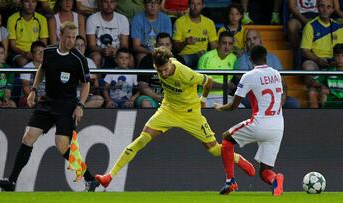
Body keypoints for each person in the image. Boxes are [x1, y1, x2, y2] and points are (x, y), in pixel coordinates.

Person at [95, 46, 255, 188]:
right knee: (142, 139)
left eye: (165, 69)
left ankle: (238, 158)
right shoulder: (158, 64)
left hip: (190, 113)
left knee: (214, 150)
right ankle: (109, 177)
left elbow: (209, 81)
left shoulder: (185, 73)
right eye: (160, 70)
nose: (163, 73)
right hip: (168, 109)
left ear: (171, 63)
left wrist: (203, 100)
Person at [0, 22, 99, 192]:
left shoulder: (79, 59)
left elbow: (86, 85)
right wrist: (33, 90)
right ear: (60, 36)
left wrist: (80, 105)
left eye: (74, 37)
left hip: (67, 106)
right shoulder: (48, 52)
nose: (71, 40)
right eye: (68, 37)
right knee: (28, 137)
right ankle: (11, 182)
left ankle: (90, 179)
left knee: (62, 146)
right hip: (47, 103)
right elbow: (41, 69)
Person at [214, 45, 285, 196]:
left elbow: (234, 106)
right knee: (265, 171)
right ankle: (276, 180)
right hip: (278, 126)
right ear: (266, 57)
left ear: (250, 59)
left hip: (260, 123)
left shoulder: (250, 76)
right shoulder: (276, 74)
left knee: (226, 138)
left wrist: (221, 107)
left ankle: (230, 181)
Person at [235, 29, 300, 108]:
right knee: (244, 100)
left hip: (273, 96)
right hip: (253, 97)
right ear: (246, 44)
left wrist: (283, 95)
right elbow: (247, 85)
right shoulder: (242, 59)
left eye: (255, 38)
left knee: (293, 103)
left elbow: (282, 81)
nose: (252, 42)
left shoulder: (273, 57)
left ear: (261, 40)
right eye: (249, 40)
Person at [301, 0, 343, 108]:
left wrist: (335, 60)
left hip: (334, 61)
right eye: (322, 6)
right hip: (316, 60)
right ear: (317, 7)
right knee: (308, 66)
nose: (325, 9)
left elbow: (340, 50)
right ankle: (314, 87)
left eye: (329, 7)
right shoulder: (310, 26)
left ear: (333, 9)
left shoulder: (338, 27)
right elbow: (305, 50)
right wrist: (318, 59)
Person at [137, 32, 184, 108]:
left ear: (172, 46)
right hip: (151, 97)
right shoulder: (147, 60)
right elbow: (143, 86)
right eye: (161, 45)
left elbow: (184, 84)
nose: (164, 47)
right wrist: (158, 98)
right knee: (145, 103)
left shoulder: (179, 60)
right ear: (156, 46)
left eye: (167, 44)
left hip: (173, 97)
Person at [173, 0, 218, 68]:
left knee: (205, 58)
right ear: (188, 5)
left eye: (198, 4)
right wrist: (185, 42)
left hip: (203, 56)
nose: (195, 7)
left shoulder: (209, 23)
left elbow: (214, 46)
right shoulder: (179, 22)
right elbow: (176, 48)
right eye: (193, 4)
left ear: (203, 6)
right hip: (185, 56)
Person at [197, 31, 237, 107]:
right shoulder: (206, 58)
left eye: (230, 44)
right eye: (224, 43)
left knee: (240, 110)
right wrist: (225, 86)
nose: (227, 47)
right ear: (218, 44)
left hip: (226, 97)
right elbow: (204, 83)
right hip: (206, 96)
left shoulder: (233, 58)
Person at [86, 0, 129, 68]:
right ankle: (97, 79)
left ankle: (131, 79)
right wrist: (102, 50)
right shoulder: (92, 19)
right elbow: (91, 46)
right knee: (96, 57)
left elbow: (125, 45)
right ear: (100, 3)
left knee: (130, 58)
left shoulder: (123, 19)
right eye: (105, 2)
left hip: (117, 51)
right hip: (99, 51)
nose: (109, 5)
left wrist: (117, 51)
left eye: (112, 2)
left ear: (116, 3)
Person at [7, 0, 49, 68]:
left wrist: (35, 53)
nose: (30, 5)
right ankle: (24, 79)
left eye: (33, 2)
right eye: (26, 1)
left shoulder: (42, 19)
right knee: (23, 61)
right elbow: (12, 45)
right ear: (21, 3)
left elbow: (43, 43)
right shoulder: (12, 19)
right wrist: (24, 53)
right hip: (18, 52)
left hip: (37, 51)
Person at [131, 0, 172, 67]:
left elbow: (167, 43)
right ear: (144, 4)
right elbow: (136, 46)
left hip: (162, 50)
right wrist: (152, 52)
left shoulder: (166, 19)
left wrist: (159, 52)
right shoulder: (137, 19)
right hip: (144, 51)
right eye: (149, 2)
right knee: (141, 57)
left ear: (160, 5)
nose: (153, 6)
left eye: (156, 2)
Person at [75, 35, 104, 108]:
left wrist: (92, 83)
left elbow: (96, 85)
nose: (80, 47)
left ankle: (80, 109)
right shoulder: (68, 60)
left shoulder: (90, 62)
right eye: (77, 45)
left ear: (85, 48)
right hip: (71, 97)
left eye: (82, 45)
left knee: (99, 99)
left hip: (86, 97)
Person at [313, 43, 343, 108]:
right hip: (330, 102)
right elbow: (313, 82)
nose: (340, 59)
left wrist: (333, 91)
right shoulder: (330, 70)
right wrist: (322, 86)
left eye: (342, 56)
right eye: (337, 56)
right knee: (313, 92)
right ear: (334, 57)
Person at [19, 41, 46, 107]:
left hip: (44, 97)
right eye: (38, 52)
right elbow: (26, 88)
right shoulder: (26, 68)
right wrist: (36, 99)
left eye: (43, 52)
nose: (41, 54)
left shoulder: (49, 66)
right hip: (29, 96)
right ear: (32, 54)